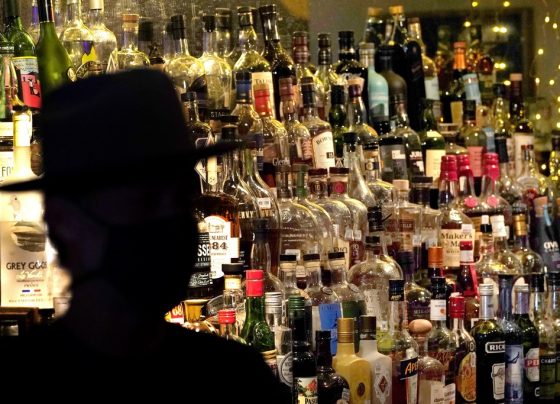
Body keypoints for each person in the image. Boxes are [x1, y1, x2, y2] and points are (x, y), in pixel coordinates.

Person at [0, 70, 291, 402]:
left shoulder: (235, 378)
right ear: (64, 221)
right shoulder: (20, 381)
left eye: (181, 200)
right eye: (145, 201)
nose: (171, 224)